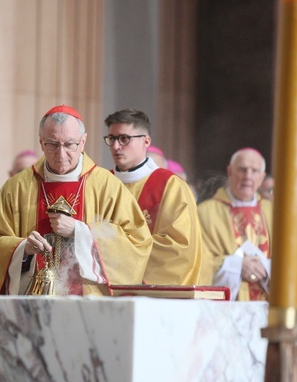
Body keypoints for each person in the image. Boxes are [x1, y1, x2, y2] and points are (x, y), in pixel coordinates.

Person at [0, 105, 152, 296]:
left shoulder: (107, 186)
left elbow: (137, 244)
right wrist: (23, 249)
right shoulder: (17, 187)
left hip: (89, 307)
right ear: (41, 142)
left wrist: (80, 232)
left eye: (70, 144)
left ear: (83, 142)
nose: (61, 155)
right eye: (52, 144)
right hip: (31, 305)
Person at [104, 110, 203, 285]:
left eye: (124, 139)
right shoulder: (102, 183)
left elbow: (179, 247)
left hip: (149, 292)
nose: (116, 146)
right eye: (111, 139)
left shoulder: (170, 185)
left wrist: (118, 249)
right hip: (104, 287)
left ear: (146, 141)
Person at [197, 148, 272, 301]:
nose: (248, 176)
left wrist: (266, 267)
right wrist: (236, 266)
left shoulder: (273, 212)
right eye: (242, 170)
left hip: (268, 306)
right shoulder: (205, 212)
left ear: (262, 177)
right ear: (230, 172)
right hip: (224, 308)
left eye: (254, 171)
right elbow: (198, 262)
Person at [0, 150, 38, 227]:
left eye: (32, 171)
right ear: (11, 174)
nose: (26, 177)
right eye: (21, 171)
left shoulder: (47, 206)